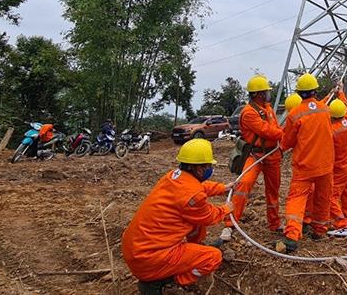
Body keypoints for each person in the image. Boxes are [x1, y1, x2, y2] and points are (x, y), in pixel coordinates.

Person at [121, 139, 233, 293]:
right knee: (213, 257)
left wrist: (222, 188)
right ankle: (169, 282)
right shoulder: (193, 196)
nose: (210, 169)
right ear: (199, 169)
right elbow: (208, 216)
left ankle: (194, 251)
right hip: (149, 260)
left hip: (136, 249)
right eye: (208, 166)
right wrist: (226, 209)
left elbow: (197, 187)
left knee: (196, 225)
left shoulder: (173, 177)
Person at [219, 75, 284, 242]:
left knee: (273, 190)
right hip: (255, 155)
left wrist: (281, 135)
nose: (269, 94)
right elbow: (269, 131)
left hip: (272, 155)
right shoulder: (248, 113)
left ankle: (275, 223)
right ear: (259, 94)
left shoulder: (268, 109)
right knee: (243, 185)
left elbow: (275, 128)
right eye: (266, 92)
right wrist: (287, 132)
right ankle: (229, 224)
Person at [275, 73, 334, 253]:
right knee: (323, 198)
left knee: (297, 199)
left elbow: (288, 141)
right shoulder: (325, 109)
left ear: (299, 93)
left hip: (304, 166)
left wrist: (280, 148)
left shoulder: (295, 113)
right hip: (325, 164)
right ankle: (320, 231)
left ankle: (292, 236)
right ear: (315, 91)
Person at [326, 91, 347, 238]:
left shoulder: (332, 131)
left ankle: (341, 225)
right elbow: (344, 104)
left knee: (331, 195)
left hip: (341, 168)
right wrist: (340, 91)